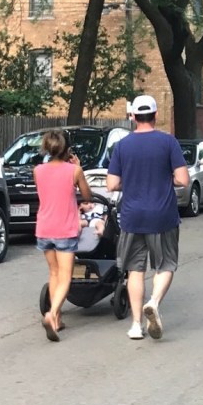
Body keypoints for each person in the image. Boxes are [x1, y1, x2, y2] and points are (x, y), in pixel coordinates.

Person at [106, 94, 189, 340]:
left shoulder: (122, 146)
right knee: (166, 265)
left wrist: (130, 183)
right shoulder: (168, 142)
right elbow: (183, 180)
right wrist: (165, 180)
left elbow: (111, 184)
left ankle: (135, 325)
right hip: (163, 216)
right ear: (155, 116)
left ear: (132, 117)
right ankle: (153, 301)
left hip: (132, 217)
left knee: (135, 270)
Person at [34, 130, 92, 342]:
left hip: (44, 227)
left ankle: (57, 320)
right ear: (67, 149)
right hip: (65, 228)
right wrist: (79, 169)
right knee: (66, 275)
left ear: (47, 149)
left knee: (54, 273)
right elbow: (87, 196)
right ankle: (51, 313)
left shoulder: (38, 170)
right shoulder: (74, 171)